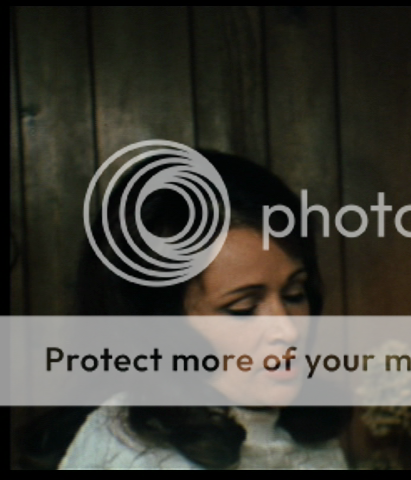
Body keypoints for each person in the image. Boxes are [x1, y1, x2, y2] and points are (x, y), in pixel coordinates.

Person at [19, 150, 351, 469]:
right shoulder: (127, 450)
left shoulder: (310, 440)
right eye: (244, 309)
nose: (288, 330)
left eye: (294, 294)